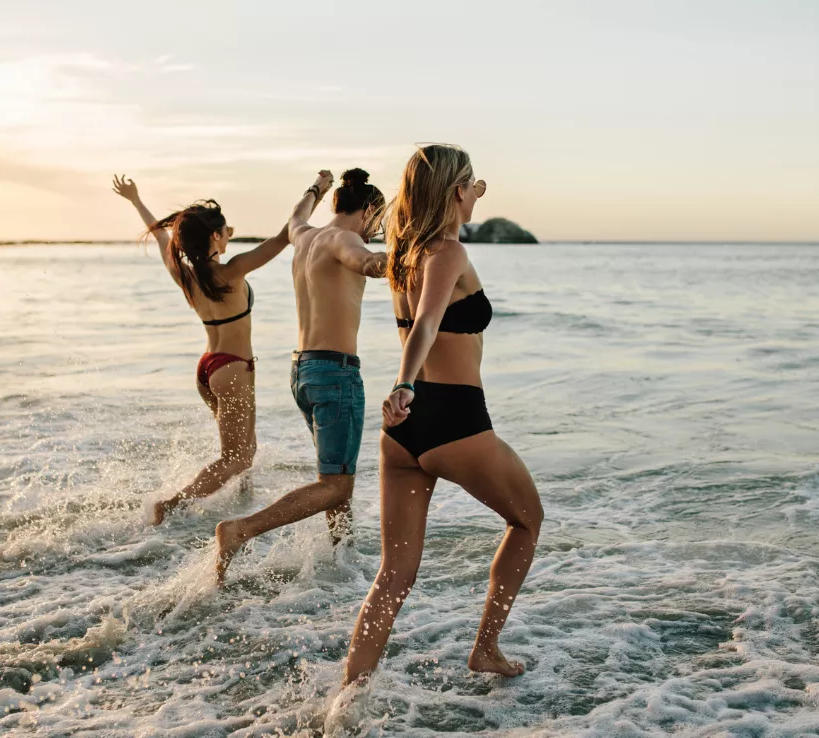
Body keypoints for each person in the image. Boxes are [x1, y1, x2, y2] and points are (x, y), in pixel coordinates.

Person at [342, 145, 543, 683]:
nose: (478, 192)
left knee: (394, 574)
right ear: (456, 192)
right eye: (471, 185)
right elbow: (429, 324)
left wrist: (469, 195)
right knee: (527, 521)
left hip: (404, 434)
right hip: (456, 421)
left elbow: (421, 318)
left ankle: (348, 692)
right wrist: (403, 382)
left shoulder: (405, 255)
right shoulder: (448, 253)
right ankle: (487, 648)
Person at [110, 173, 331, 525]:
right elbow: (285, 236)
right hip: (232, 369)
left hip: (209, 368)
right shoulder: (231, 271)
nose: (230, 234)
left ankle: (241, 506)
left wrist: (136, 200)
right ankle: (170, 506)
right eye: (227, 230)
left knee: (245, 450)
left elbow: (160, 235)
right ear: (214, 236)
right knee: (237, 459)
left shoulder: (185, 274)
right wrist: (316, 190)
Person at [214, 168, 388, 583]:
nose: (377, 227)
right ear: (366, 210)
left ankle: (342, 560)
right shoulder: (346, 239)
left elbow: (296, 213)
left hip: (303, 370)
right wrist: (413, 251)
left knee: (334, 475)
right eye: (377, 218)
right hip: (335, 372)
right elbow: (368, 263)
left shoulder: (304, 234)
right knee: (336, 486)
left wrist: (315, 188)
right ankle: (241, 531)